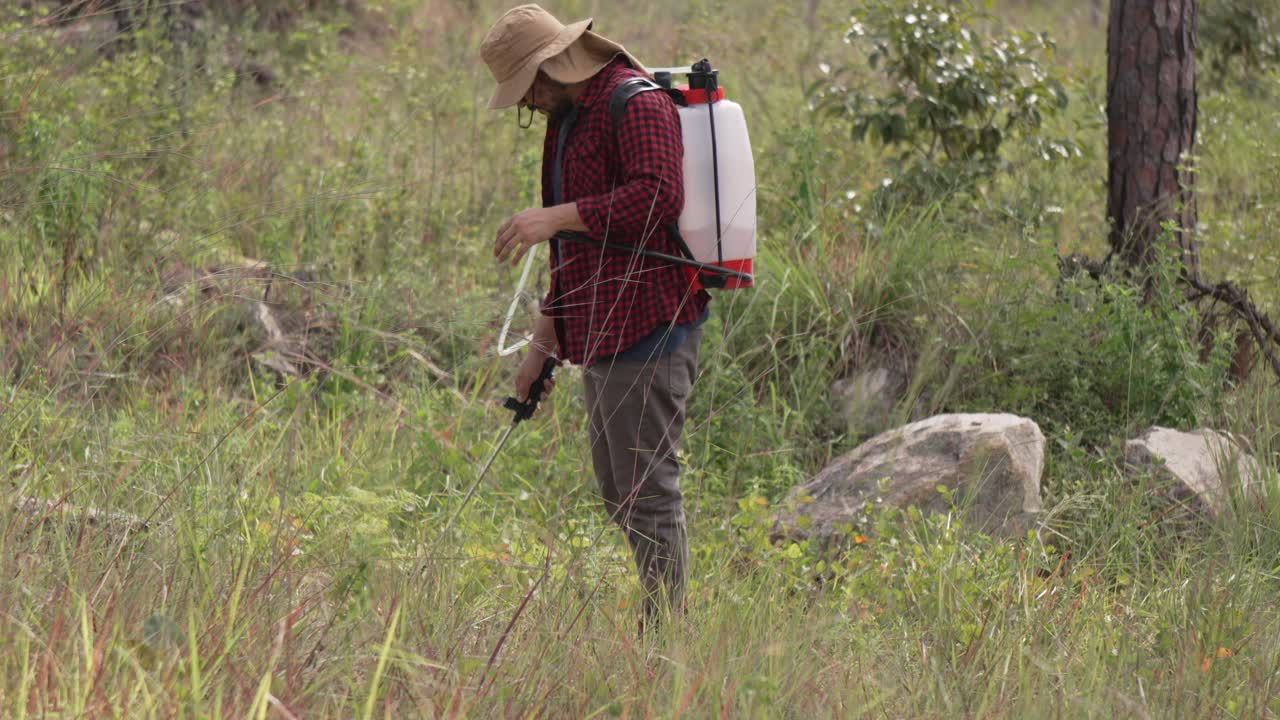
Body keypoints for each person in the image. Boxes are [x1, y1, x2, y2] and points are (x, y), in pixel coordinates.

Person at [479, 4, 710, 630]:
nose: (527, 103)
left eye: (527, 88)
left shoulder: (633, 103)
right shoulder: (566, 119)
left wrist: (551, 216)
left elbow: (659, 195)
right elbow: (571, 252)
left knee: (648, 492)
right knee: (620, 490)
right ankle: (663, 617)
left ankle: (668, 634)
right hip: (600, 324)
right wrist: (541, 347)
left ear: (553, 65)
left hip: (651, 322)